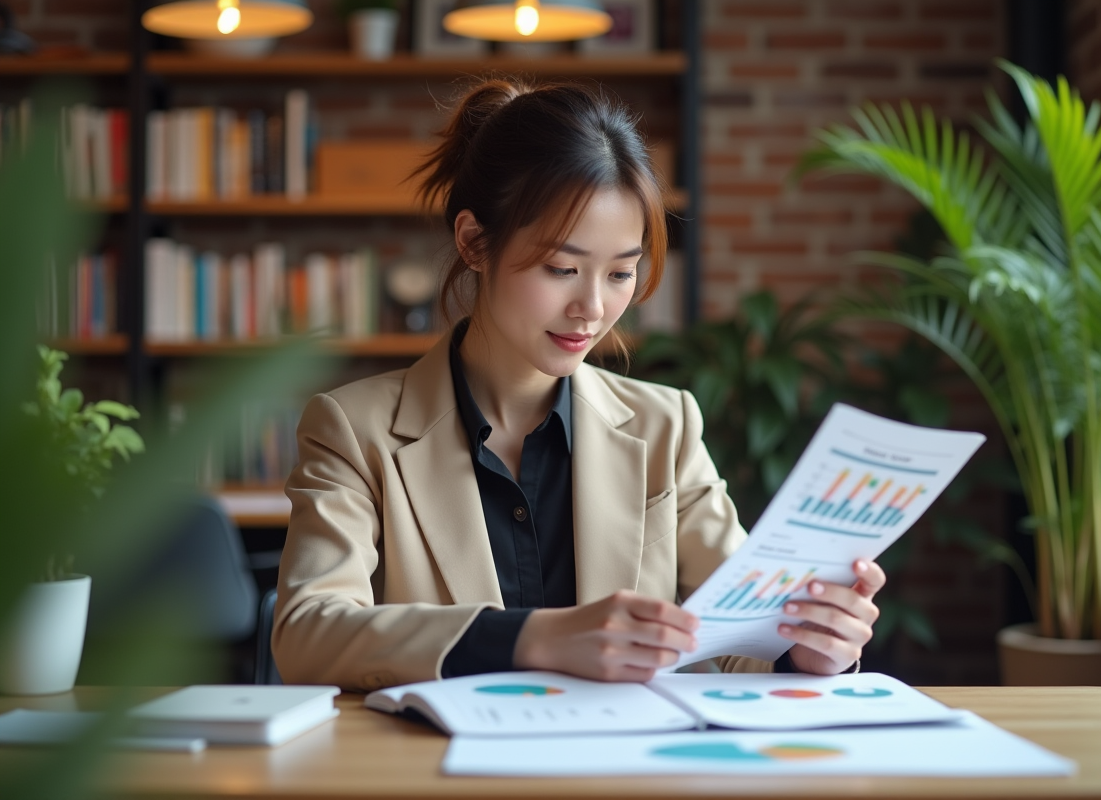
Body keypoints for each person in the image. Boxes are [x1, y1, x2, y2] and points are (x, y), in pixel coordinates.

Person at [273, 78, 886, 691]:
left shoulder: (665, 427)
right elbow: (308, 632)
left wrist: (809, 647)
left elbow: (743, 637)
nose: (592, 307)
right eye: (561, 269)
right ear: (474, 242)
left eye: (622, 272)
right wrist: (534, 638)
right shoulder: (354, 430)